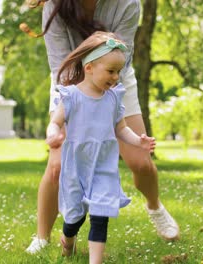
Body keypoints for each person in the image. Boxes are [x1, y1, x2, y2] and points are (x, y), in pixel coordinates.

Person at [24, 0, 180, 253]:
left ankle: (154, 205)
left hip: (113, 77)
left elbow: (122, 57)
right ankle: (42, 237)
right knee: (57, 166)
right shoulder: (54, 6)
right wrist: (80, 100)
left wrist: (101, 95)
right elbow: (58, 64)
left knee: (140, 161)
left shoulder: (127, 4)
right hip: (70, 80)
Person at [45, 32, 156, 263]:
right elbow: (54, 122)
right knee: (75, 217)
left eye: (119, 72)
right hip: (76, 165)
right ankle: (68, 238)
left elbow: (121, 129)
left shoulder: (114, 98)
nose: (116, 77)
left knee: (100, 214)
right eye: (111, 71)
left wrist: (139, 141)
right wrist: (53, 135)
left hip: (104, 166)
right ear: (90, 67)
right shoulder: (72, 96)